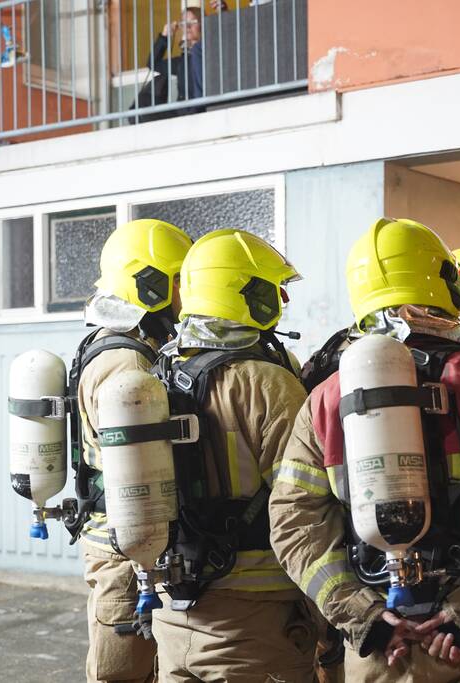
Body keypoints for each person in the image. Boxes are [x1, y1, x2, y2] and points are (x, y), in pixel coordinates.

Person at [269, 218, 460, 682]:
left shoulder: (325, 398)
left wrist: (360, 615)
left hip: (387, 648)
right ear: (446, 284)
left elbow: (292, 522)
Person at [148, 229, 316, 682]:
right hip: (255, 622)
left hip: (171, 612)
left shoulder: (157, 374)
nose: (281, 297)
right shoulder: (265, 382)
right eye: (271, 288)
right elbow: (308, 504)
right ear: (244, 293)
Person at [72, 219, 193, 683]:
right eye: (181, 281)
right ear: (152, 284)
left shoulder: (126, 346)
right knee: (122, 672)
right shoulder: (125, 360)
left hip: (127, 538)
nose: (189, 296)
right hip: (125, 548)